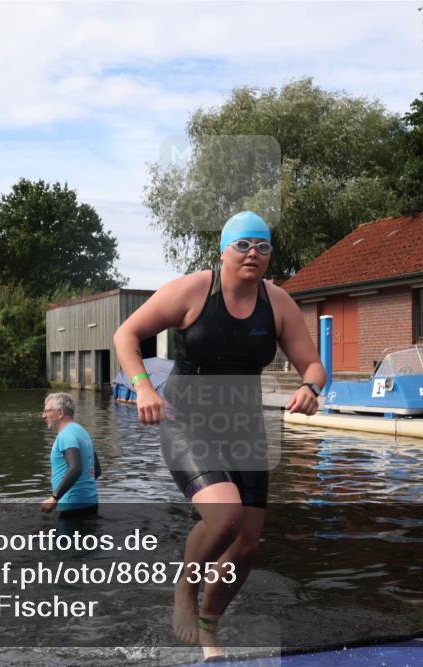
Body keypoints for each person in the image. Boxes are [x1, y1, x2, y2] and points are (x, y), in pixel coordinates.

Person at [113, 210, 325, 660]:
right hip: (186, 421)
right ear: (224, 250)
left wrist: (310, 386)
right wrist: (144, 387)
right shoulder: (194, 290)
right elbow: (126, 334)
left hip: (243, 428)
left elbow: (313, 364)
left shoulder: (278, 303)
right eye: (244, 245)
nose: (253, 254)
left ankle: (210, 624)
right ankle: (185, 591)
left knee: (247, 544)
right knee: (224, 516)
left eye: (263, 247)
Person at [40, 392, 102, 517]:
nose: (43, 416)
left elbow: (76, 468)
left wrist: (54, 498)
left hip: (70, 505)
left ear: (60, 413)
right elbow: (97, 470)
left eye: (47, 411)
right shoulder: (83, 432)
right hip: (90, 502)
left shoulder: (66, 435)